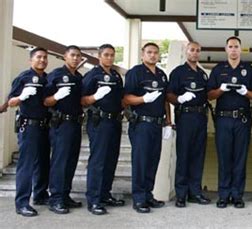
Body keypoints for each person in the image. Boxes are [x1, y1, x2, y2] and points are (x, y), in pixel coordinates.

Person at [207, 36, 252, 208]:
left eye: (236, 46)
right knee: (224, 158)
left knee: (240, 158)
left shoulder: (249, 70)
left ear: (241, 49)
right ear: (226, 49)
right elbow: (209, 95)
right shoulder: (218, 70)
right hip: (223, 119)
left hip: (242, 120)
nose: (233, 49)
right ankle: (224, 195)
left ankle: (237, 195)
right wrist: (220, 90)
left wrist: (246, 92)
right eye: (230, 46)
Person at [123, 42, 173, 213]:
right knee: (141, 161)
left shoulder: (161, 75)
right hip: (141, 123)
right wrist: (143, 99)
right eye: (149, 52)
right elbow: (126, 99)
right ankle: (138, 199)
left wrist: (168, 121)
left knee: (153, 160)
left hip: (157, 123)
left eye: (155, 53)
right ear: (142, 54)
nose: (153, 55)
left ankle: (148, 195)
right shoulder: (135, 73)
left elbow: (165, 99)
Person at [81, 44, 125, 215]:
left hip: (115, 121)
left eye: (112, 55)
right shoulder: (93, 75)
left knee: (111, 160)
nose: (109, 58)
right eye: (106, 55)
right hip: (99, 121)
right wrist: (95, 97)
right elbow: (83, 100)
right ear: (99, 56)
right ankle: (94, 200)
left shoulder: (115, 75)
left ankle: (105, 194)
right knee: (98, 161)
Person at [166, 41, 211, 208]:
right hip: (185, 117)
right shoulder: (178, 72)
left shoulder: (202, 74)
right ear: (186, 51)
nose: (195, 53)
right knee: (183, 155)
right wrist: (179, 99)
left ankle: (195, 192)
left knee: (198, 156)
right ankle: (181, 194)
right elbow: (169, 94)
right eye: (192, 50)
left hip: (201, 116)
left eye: (198, 50)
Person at [8, 47, 50, 217]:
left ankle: (40, 195)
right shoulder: (24, 77)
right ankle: (22, 203)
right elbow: (10, 102)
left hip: (45, 125)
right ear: (31, 60)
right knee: (27, 165)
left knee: (43, 162)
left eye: (45, 57)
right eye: (39, 57)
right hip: (29, 126)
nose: (42, 60)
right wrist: (21, 97)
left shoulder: (47, 79)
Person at [44, 45, 84, 214]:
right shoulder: (56, 75)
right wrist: (56, 96)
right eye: (72, 55)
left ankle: (65, 195)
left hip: (76, 123)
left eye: (78, 56)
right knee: (60, 161)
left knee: (71, 161)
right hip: (61, 123)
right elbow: (45, 100)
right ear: (65, 57)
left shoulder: (79, 77)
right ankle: (56, 198)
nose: (75, 58)